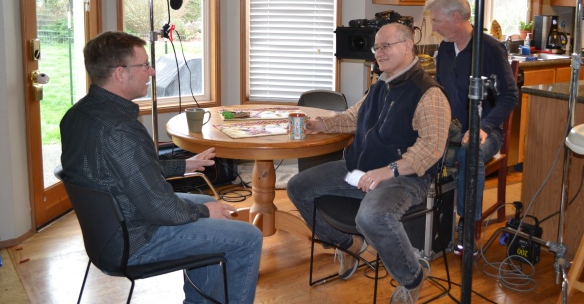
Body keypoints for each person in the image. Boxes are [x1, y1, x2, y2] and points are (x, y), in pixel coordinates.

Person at [59, 31, 262, 304]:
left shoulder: (78, 114)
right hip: (134, 241)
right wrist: (204, 211)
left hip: (106, 233)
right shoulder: (121, 128)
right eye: (144, 65)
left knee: (204, 200)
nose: (152, 71)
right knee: (247, 237)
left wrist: (185, 164)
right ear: (120, 73)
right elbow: (161, 209)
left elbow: (125, 171)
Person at [287, 22, 451, 304]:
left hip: (403, 178)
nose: (379, 53)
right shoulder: (381, 83)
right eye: (377, 47)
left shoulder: (429, 93)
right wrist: (322, 125)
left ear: (408, 45)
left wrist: (389, 170)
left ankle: (413, 276)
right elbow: (353, 117)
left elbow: (431, 148)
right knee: (298, 187)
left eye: (386, 46)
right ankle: (350, 244)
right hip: (360, 169)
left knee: (371, 216)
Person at [425, 0, 519, 255]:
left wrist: (484, 129)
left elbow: (510, 96)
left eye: (436, 21)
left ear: (456, 17)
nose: (434, 27)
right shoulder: (445, 48)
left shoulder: (489, 48)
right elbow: (441, 88)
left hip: (487, 133)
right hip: (451, 129)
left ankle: (467, 226)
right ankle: (432, 225)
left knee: (469, 152)